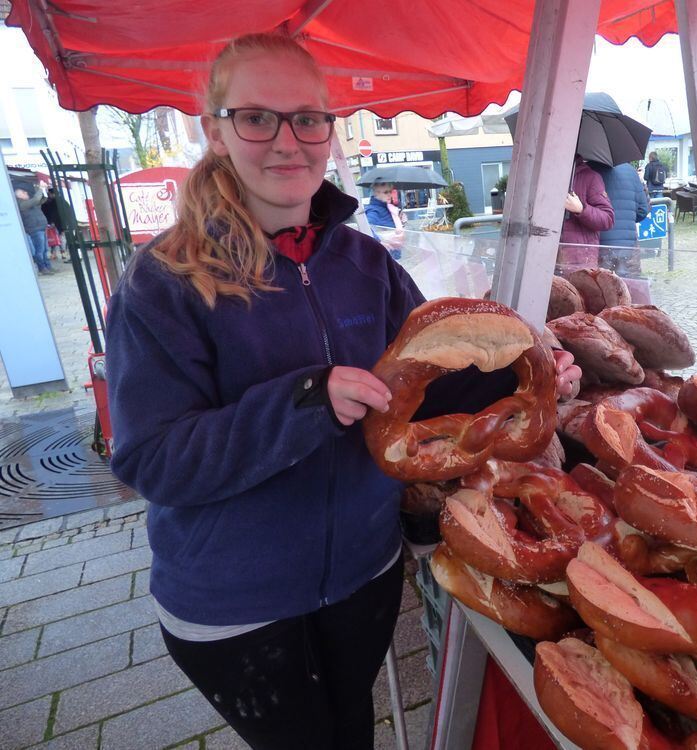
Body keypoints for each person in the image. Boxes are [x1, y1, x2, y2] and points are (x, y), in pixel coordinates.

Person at [105, 33, 581, 750]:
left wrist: (520, 373)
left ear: (331, 129)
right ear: (216, 130)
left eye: (309, 118)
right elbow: (153, 460)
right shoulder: (163, 282)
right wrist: (306, 401)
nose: (288, 141)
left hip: (364, 573)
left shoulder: (364, 261)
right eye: (257, 118)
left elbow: (424, 384)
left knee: (354, 729)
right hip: (241, 608)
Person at [592, 162, 650, 277]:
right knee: (629, 288)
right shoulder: (631, 171)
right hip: (628, 246)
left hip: (600, 245)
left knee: (604, 288)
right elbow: (643, 210)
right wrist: (628, 219)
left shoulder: (590, 169)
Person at [558, 155, 615, 273]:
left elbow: (608, 218)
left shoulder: (591, 177)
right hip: (549, 259)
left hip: (580, 263)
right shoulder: (545, 176)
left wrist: (581, 209)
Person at [14, 180, 55, 275]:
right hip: (34, 229)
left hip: (40, 227)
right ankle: (42, 268)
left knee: (45, 250)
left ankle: (47, 266)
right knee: (39, 251)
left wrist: (43, 190)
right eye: (23, 192)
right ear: (18, 195)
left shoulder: (29, 201)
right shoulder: (21, 204)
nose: (26, 193)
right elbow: (36, 200)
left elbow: (42, 199)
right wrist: (40, 188)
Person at [364, 180, 405, 259]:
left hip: (391, 256)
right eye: (386, 192)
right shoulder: (374, 210)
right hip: (385, 257)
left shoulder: (386, 207)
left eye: (390, 191)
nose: (389, 195)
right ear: (376, 193)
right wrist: (379, 242)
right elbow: (366, 228)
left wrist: (399, 219)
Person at [41, 188, 72, 262]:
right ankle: (64, 254)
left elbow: (55, 214)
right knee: (63, 239)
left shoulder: (54, 202)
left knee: (61, 238)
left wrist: (51, 222)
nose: (49, 196)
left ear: (52, 194)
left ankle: (62, 253)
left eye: (49, 194)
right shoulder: (63, 201)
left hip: (61, 224)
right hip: (66, 223)